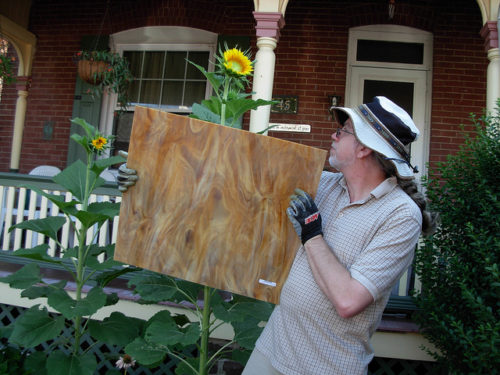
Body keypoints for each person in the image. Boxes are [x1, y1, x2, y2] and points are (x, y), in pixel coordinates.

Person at [117, 96, 437, 375]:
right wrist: (145, 179)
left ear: (365, 148)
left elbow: (349, 300)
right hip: (273, 349)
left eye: (343, 131)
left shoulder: (400, 215)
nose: (333, 135)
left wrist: (312, 234)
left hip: (328, 366)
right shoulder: (323, 184)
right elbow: (224, 186)